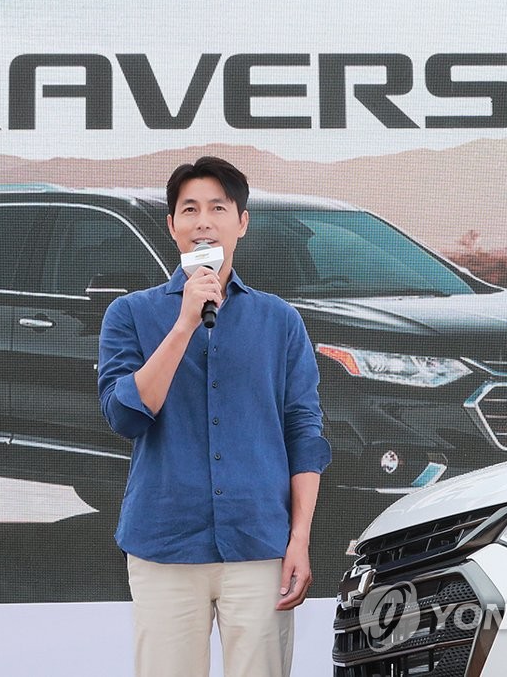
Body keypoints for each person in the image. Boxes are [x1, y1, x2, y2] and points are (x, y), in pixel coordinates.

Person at [97, 156, 331, 677]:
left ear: (242, 222)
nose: (203, 221)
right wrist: (182, 324)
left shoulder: (280, 320)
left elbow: (304, 432)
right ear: (172, 226)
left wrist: (299, 540)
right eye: (189, 209)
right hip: (164, 543)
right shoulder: (131, 314)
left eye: (217, 208)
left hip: (259, 543)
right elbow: (125, 416)